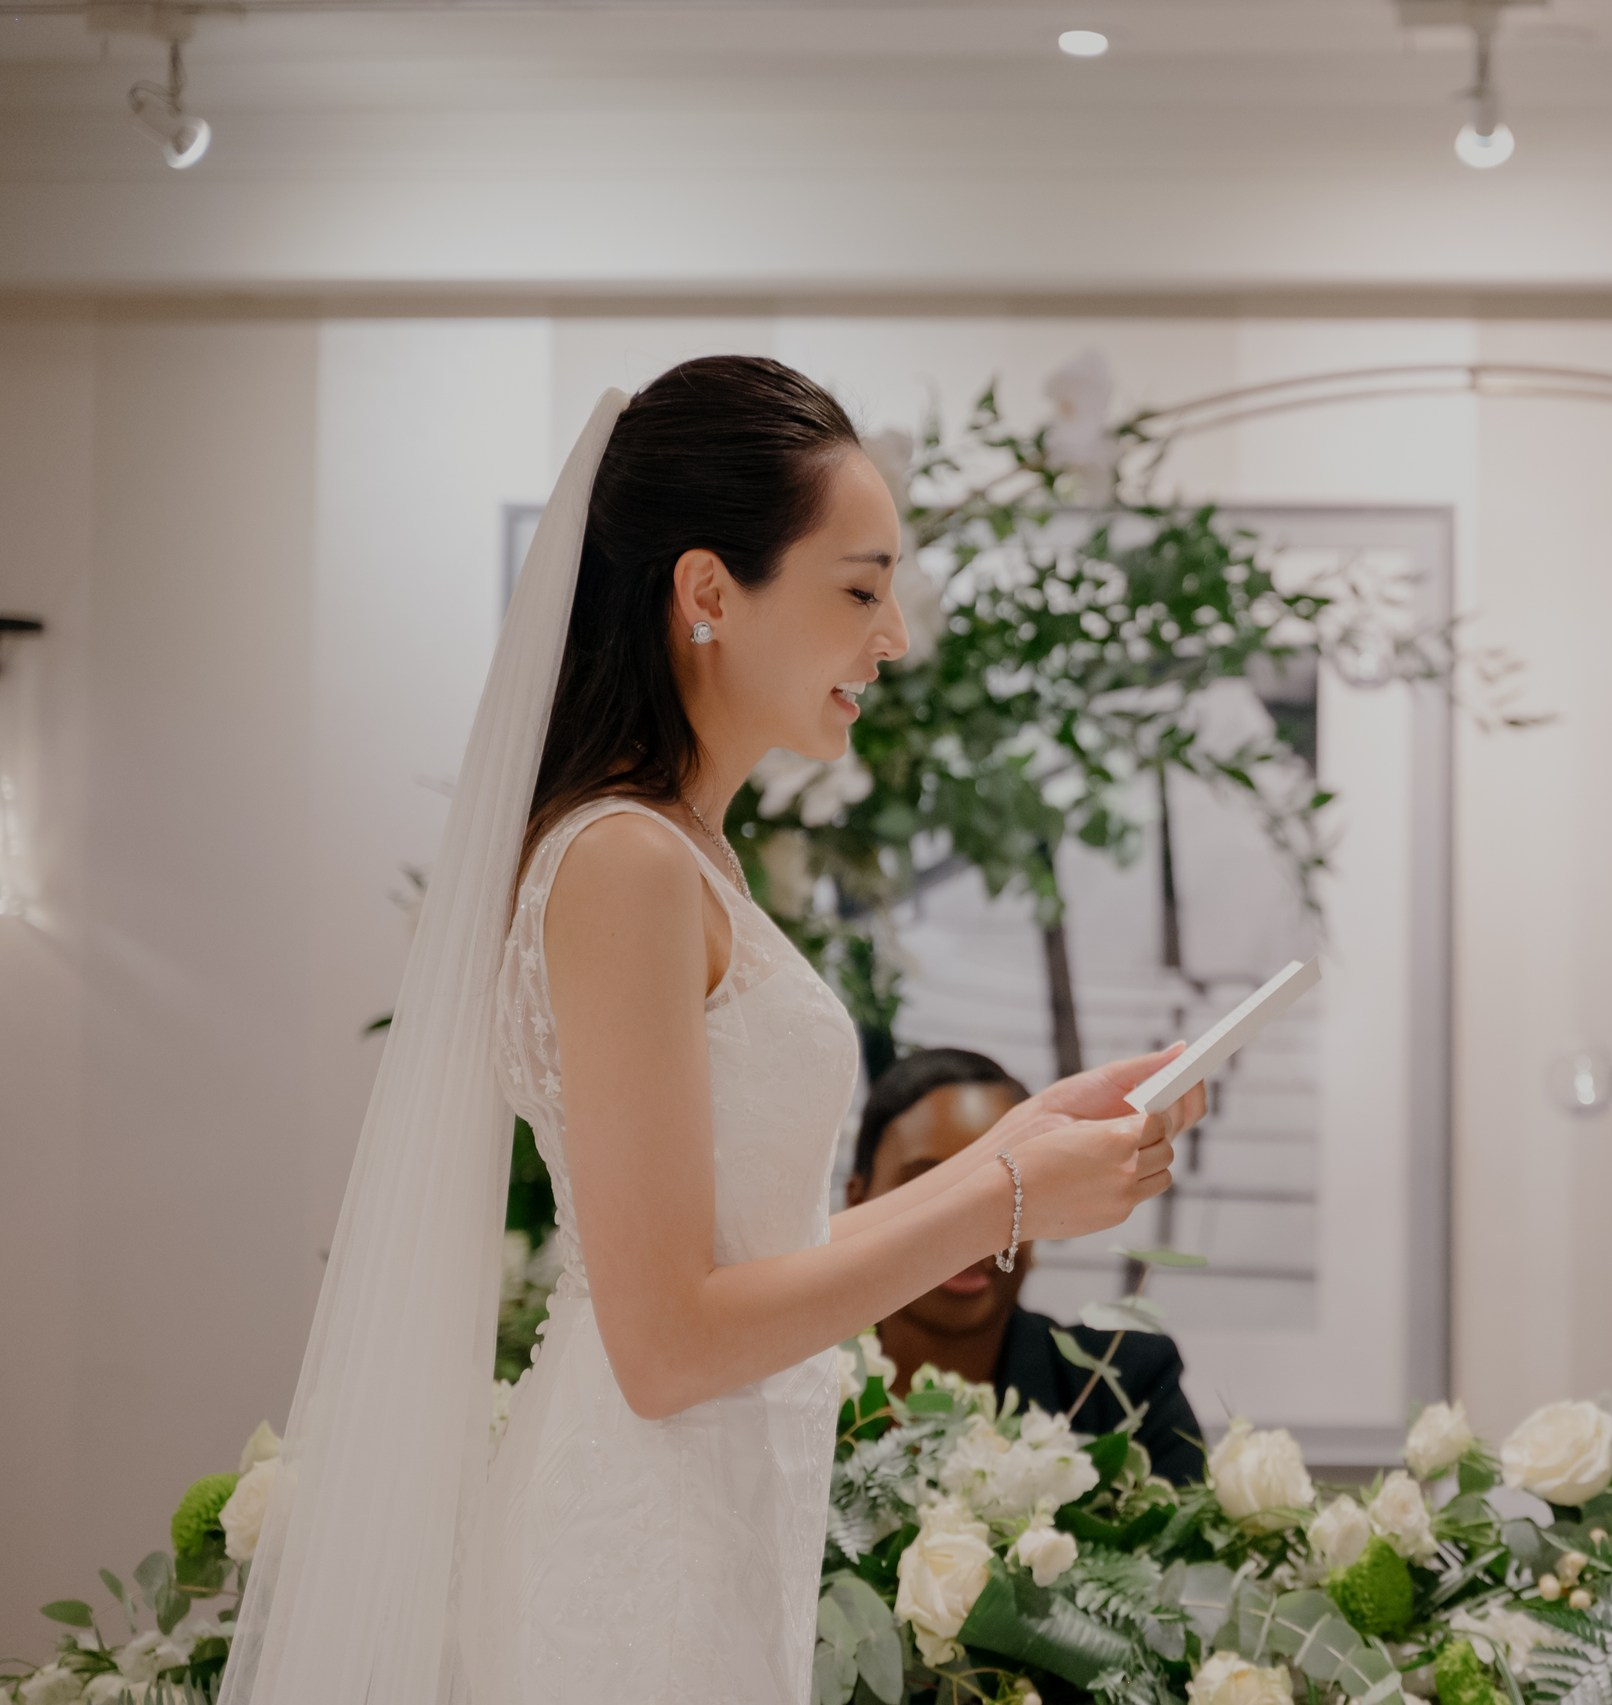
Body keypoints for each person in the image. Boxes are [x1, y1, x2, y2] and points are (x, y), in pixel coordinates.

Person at [220, 356, 1207, 1705]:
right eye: (859, 589)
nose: (896, 636)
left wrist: (1019, 1145)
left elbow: (755, 1259)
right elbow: (668, 1337)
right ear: (706, 594)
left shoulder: (686, 858)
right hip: (637, 1552)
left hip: (708, 1521)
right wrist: (1009, 1196)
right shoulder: (624, 862)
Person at [849, 1048, 1207, 1482]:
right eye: (930, 1186)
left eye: (1008, 1188)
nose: (966, 1232)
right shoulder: (790, 1386)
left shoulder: (1127, 1388)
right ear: (857, 1199)